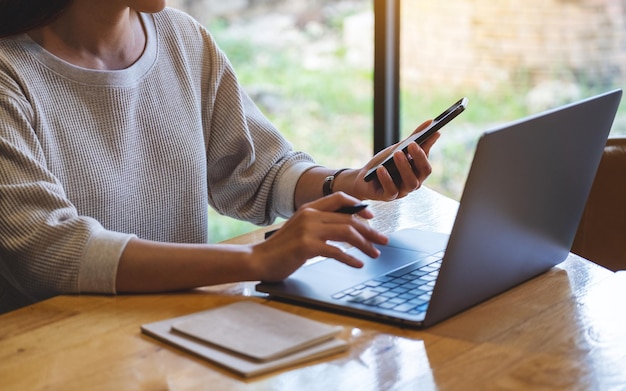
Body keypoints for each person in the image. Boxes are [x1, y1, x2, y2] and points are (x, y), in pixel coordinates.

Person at [0, 0, 439, 314]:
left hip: (179, 331)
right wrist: (255, 261)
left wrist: (345, 184)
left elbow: (259, 170)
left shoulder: (183, 39)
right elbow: (50, 252)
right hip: (61, 355)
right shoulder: (10, 74)